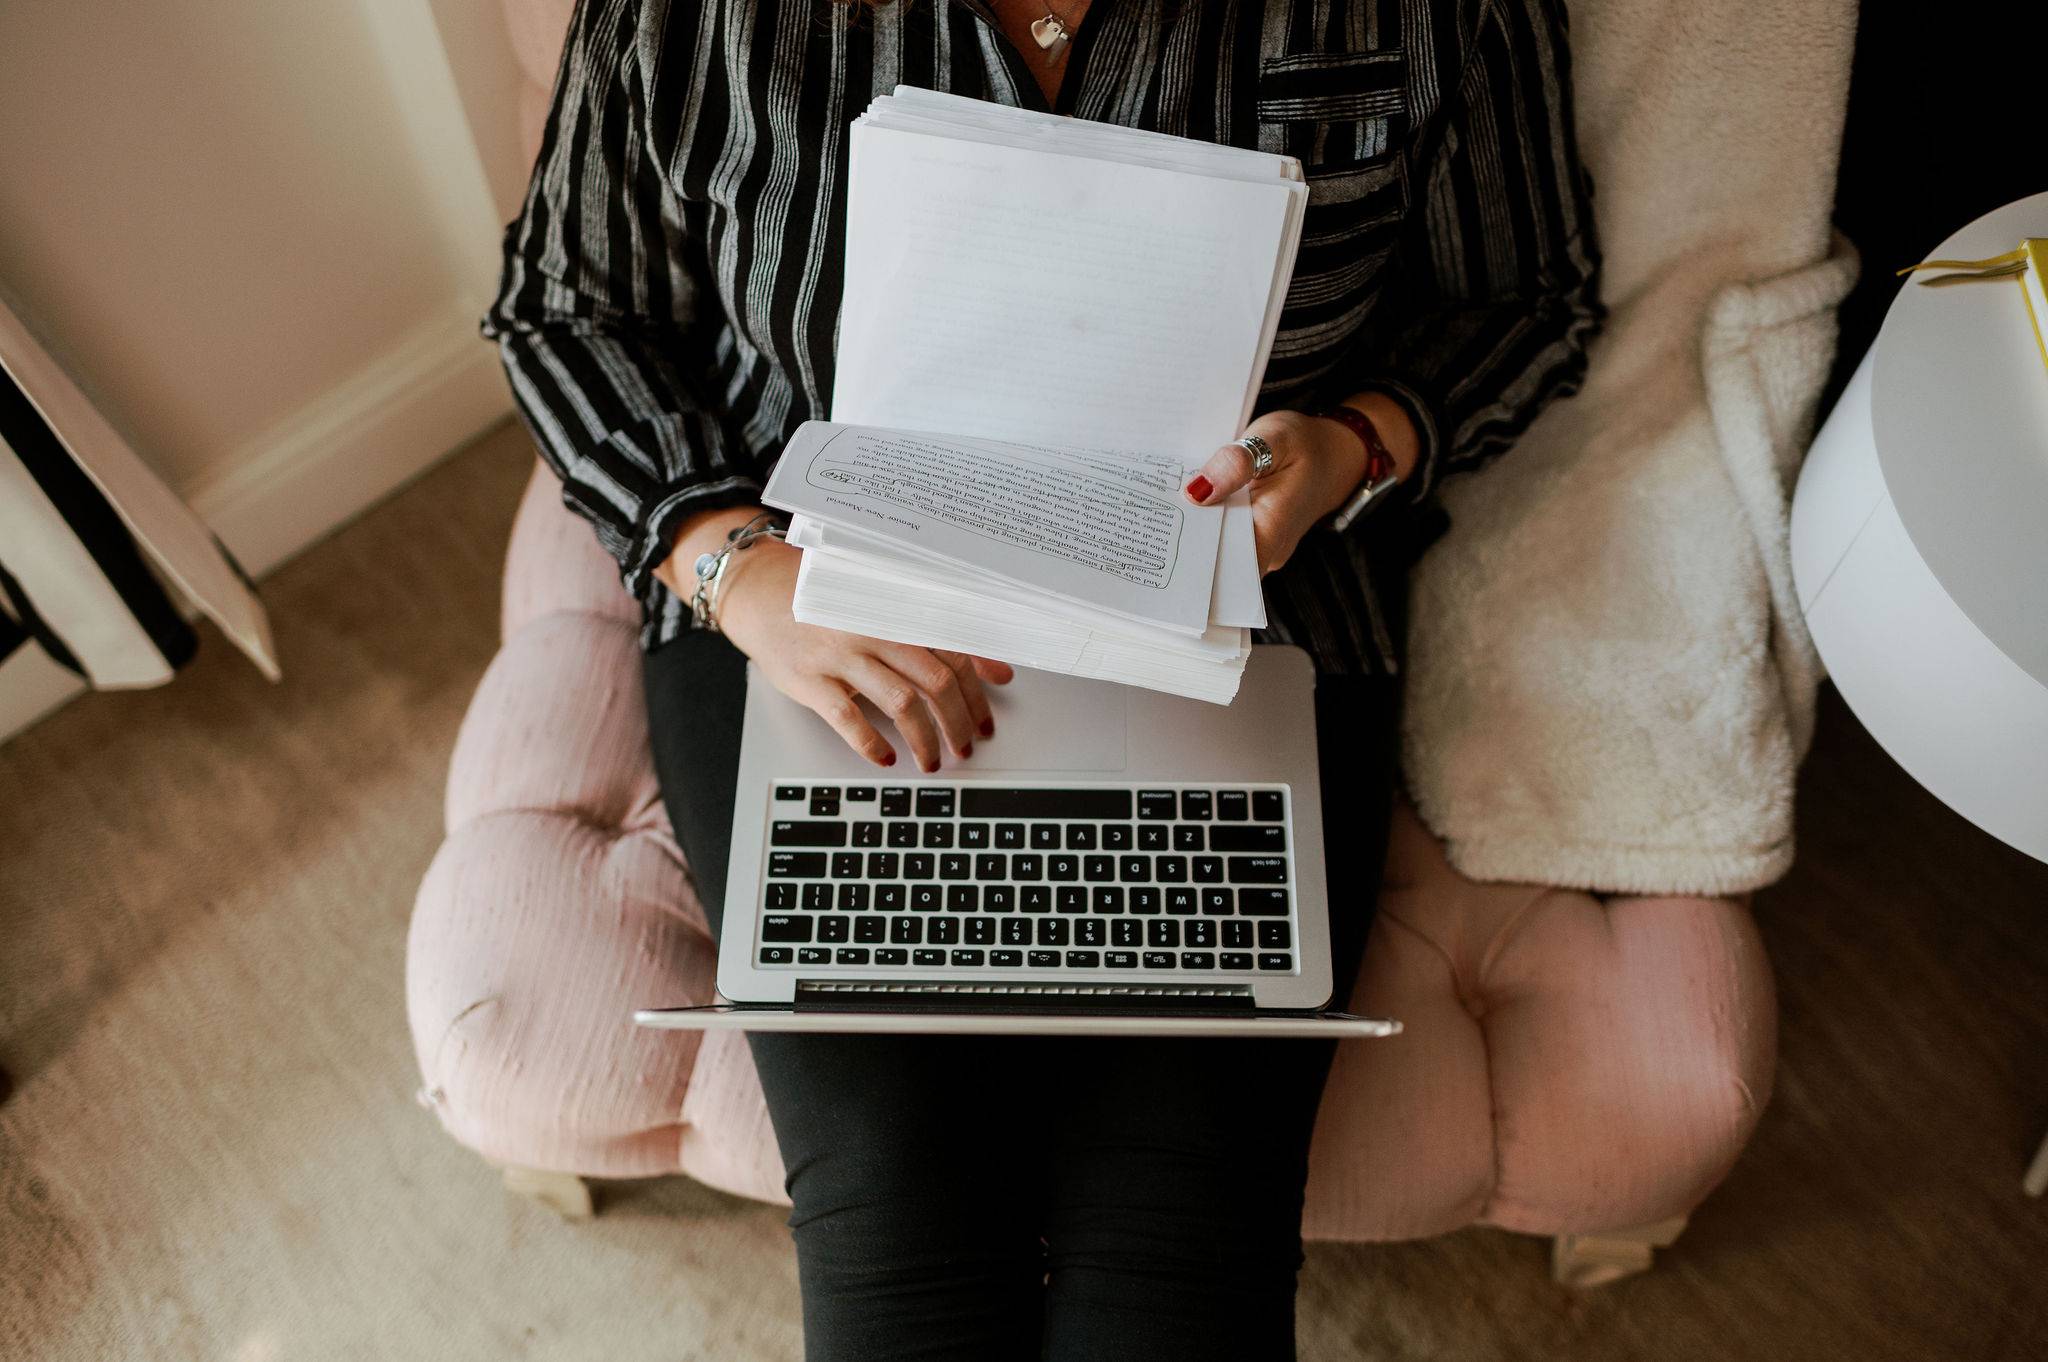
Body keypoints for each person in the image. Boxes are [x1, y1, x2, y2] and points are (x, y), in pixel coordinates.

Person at [483, 0, 1601, 1355]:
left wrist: (1356, 447)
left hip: (1253, 596)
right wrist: (736, 571)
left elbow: (1526, 299)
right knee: (896, 1235)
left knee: (1185, 1256)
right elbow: (566, 304)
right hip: (812, 586)